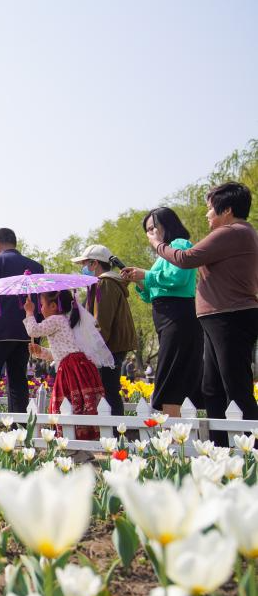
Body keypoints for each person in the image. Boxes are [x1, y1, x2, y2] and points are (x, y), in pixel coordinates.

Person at [149, 182, 258, 443]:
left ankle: (251, 446)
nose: (207, 214)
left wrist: (158, 245)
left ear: (227, 210)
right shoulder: (239, 233)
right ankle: (221, 446)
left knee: (236, 386)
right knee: (212, 387)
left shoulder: (231, 231)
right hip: (218, 318)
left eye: (210, 208)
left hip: (230, 316)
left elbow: (187, 258)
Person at [119, 207, 203, 416]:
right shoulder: (162, 255)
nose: (150, 234)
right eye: (147, 230)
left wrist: (146, 274)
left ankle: (173, 437)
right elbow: (150, 294)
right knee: (172, 373)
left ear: (167, 225)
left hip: (179, 316)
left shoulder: (180, 245)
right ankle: (176, 434)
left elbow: (177, 278)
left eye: (153, 228)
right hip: (165, 318)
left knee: (171, 376)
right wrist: (139, 280)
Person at [23, 290, 110, 442]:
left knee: (65, 403)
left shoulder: (56, 319)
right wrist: (41, 352)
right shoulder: (66, 320)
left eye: (42, 305)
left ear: (53, 306)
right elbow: (60, 352)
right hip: (78, 365)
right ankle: (83, 440)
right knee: (80, 404)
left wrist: (29, 312)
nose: (40, 309)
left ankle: (71, 442)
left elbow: (33, 330)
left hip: (70, 369)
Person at [0, 228, 45, 413]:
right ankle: (20, 427)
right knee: (18, 381)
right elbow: (39, 301)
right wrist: (36, 336)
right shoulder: (36, 267)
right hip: (25, 334)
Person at [72, 245, 136, 415]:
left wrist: (90, 348)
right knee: (108, 391)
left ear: (94, 264)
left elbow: (102, 322)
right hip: (111, 345)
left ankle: (114, 433)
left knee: (108, 392)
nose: (83, 269)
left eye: (85, 264)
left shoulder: (105, 284)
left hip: (108, 347)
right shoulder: (104, 284)